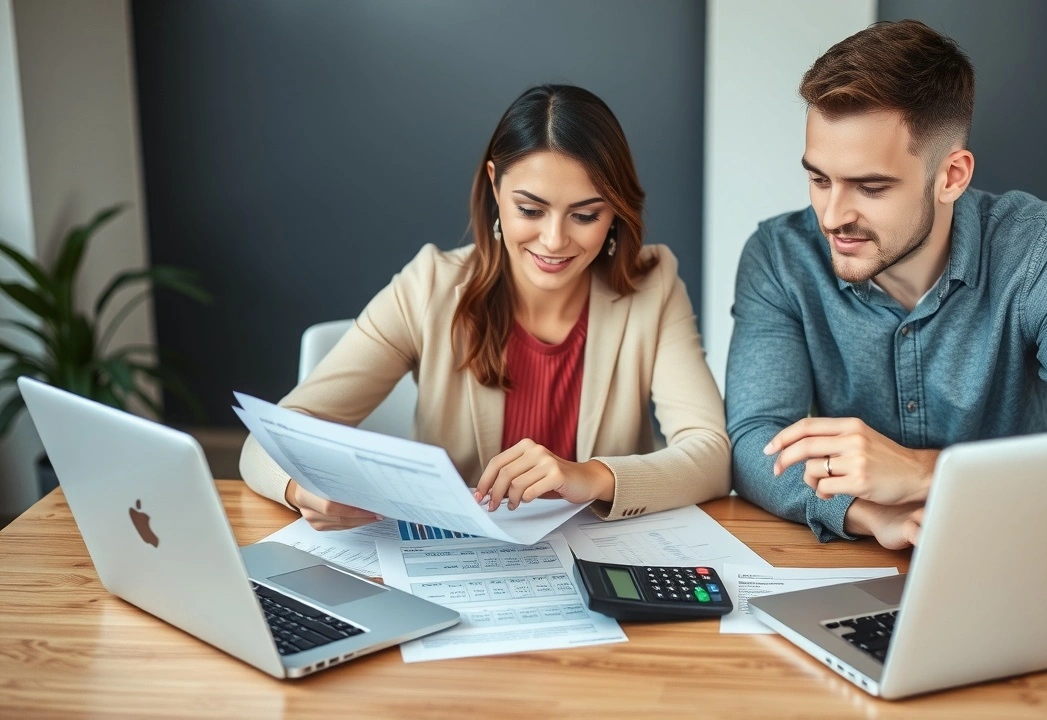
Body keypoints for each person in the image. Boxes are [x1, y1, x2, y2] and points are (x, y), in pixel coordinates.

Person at [726, 21, 1047, 550]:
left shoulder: (1042, 252)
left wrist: (927, 473)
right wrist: (866, 513)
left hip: (1031, 547)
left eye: (871, 187)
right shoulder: (780, 257)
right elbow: (756, 441)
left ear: (951, 177)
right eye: (819, 179)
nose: (831, 217)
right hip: (865, 559)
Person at [241, 84, 729, 530]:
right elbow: (268, 439)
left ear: (616, 211)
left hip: (597, 560)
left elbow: (711, 454)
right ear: (495, 186)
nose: (554, 240)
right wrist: (301, 489)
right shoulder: (429, 286)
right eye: (530, 210)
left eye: (585, 215)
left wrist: (591, 476)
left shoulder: (654, 286)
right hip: (453, 562)